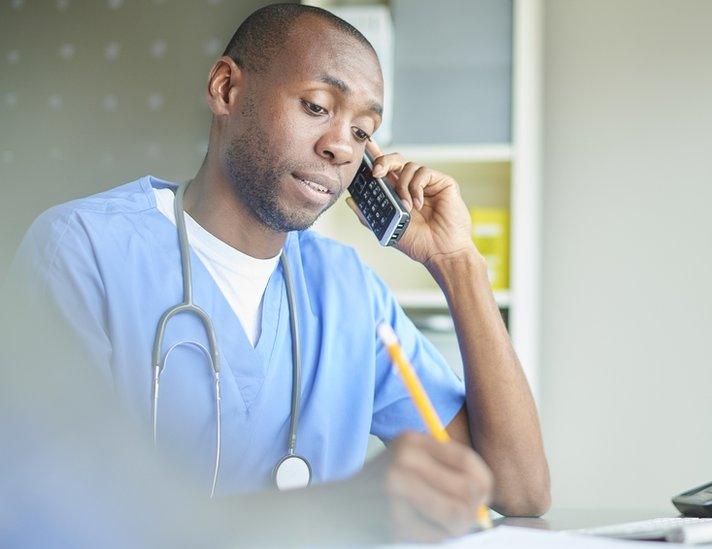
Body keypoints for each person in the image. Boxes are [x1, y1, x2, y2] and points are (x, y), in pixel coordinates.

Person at [5, 3, 548, 541]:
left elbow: (518, 490)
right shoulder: (81, 252)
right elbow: (53, 518)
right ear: (225, 89)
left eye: (363, 132)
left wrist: (457, 264)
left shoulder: (347, 292)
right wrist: (340, 509)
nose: (340, 146)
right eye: (316, 106)